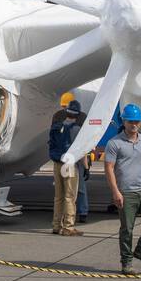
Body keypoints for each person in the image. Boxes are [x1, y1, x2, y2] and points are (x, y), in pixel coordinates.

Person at [105, 103, 141, 272]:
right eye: (130, 121)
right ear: (123, 121)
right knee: (127, 229)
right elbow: (108, 168)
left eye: (137, 121)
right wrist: (115, 191)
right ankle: (126, 262)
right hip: (126, 193)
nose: (134, 124)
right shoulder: (114, 143)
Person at [48, 100, 84, 236]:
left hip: (57, 163)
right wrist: (85, 168)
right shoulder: (77, 129)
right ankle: (68, 226)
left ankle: (56, 225)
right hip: (69, 164)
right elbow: (81, 151)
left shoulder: (56, 127)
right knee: (70, 196)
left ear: (66, 112)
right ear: (78, 114)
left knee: (58, 196)